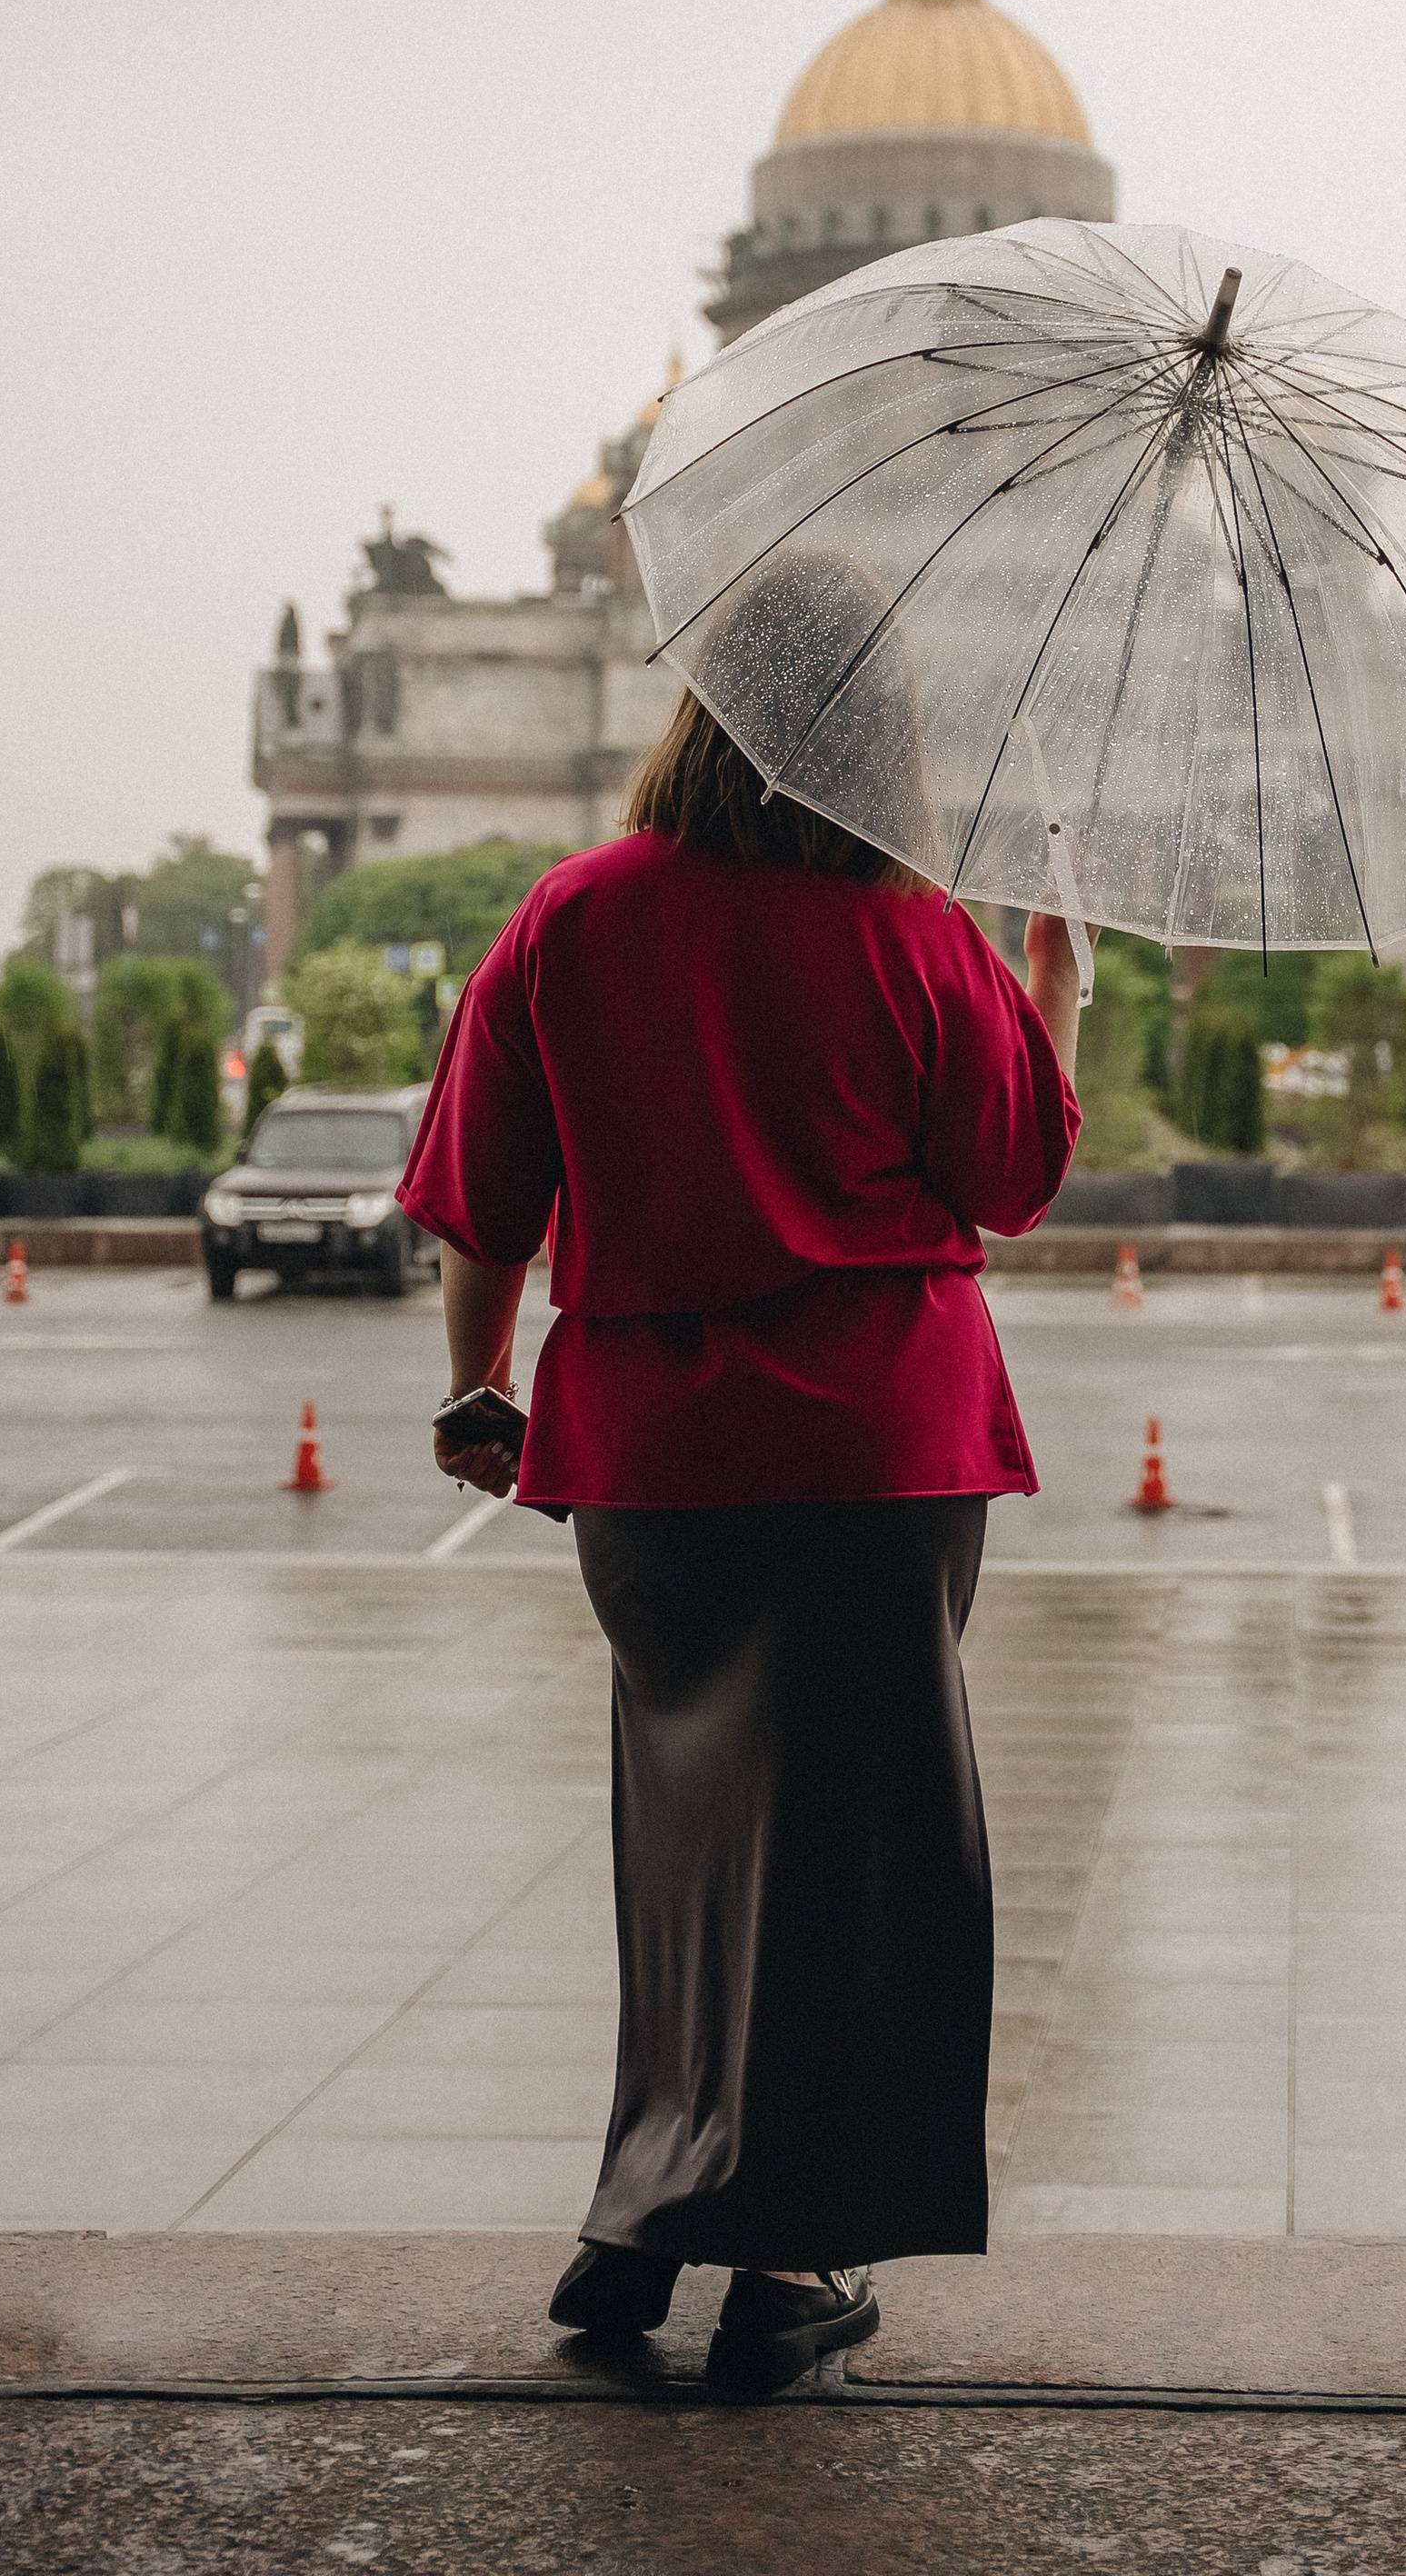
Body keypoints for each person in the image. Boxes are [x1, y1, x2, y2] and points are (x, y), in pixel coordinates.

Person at [396, 683, 1084, 2401]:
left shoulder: (576, 912)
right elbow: (1011, 1176)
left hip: (652, 1458)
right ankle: (786, 2263)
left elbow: (483, 1197)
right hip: (875, 1448)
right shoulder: (914, 928)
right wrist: (1053, 990)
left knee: (686, 1839)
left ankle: (635, 2221)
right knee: (857, 1856)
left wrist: (481, 1388)